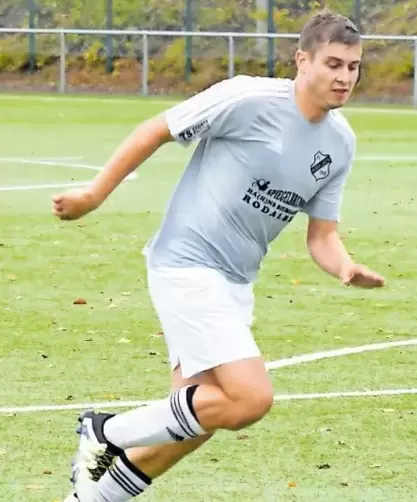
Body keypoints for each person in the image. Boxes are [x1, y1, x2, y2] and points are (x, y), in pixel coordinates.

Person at [52, 10, 384, 502]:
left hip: (234, 282)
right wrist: (94, 196)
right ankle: (104, 431)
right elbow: (155, 129)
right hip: (186, 263)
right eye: (333, 64)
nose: (345, 77)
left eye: (353, 67)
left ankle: (87, 499)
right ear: (302, 60)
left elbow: (322, 236)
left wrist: (344, 265)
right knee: (249, 398)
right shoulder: (247, 98)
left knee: (193, 422)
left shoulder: (340, 143)